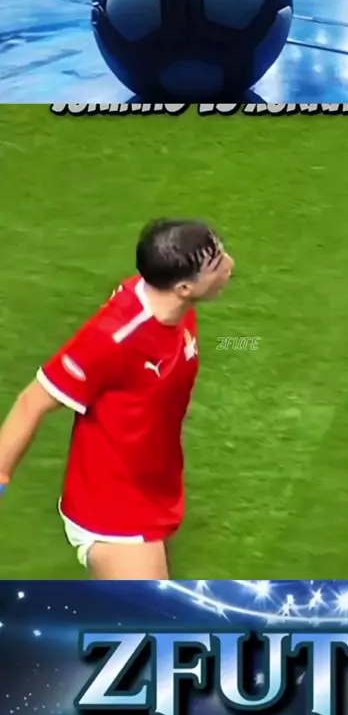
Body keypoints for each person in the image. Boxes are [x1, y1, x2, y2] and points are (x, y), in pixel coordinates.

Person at [0, 218, 234, 580]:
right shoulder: (114, 338)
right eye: (217, 263)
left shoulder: (171, 305)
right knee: (146, 617)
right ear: (185, 287)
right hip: (112, 510)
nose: (230, 265)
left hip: (154, 488)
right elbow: (33, 400)